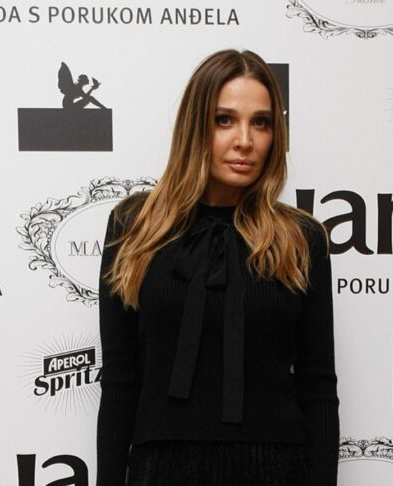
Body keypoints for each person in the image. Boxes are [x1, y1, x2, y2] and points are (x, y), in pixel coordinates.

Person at [96, 49, 338, 486]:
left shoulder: (301, 238)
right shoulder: (135, 227)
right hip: (161, 470)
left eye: (261, 122)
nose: (244, 140)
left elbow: (318, 388)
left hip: (275, 472)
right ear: (194, 126)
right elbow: (119, 382)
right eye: (224, 120)